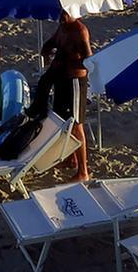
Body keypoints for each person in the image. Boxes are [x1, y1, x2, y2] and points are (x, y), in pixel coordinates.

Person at [28, 10, 92, 180]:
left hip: (75, 81)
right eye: (61, 13)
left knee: (76, 124)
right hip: (61, 78)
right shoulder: (62, 27)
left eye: (65, 13)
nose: (62, 17)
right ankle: (72, 160)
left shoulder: (80, 31)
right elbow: (52, 42)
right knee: (63, 120)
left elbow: (89, 60)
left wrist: (66, 61)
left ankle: (83, 171)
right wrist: (46, 51)